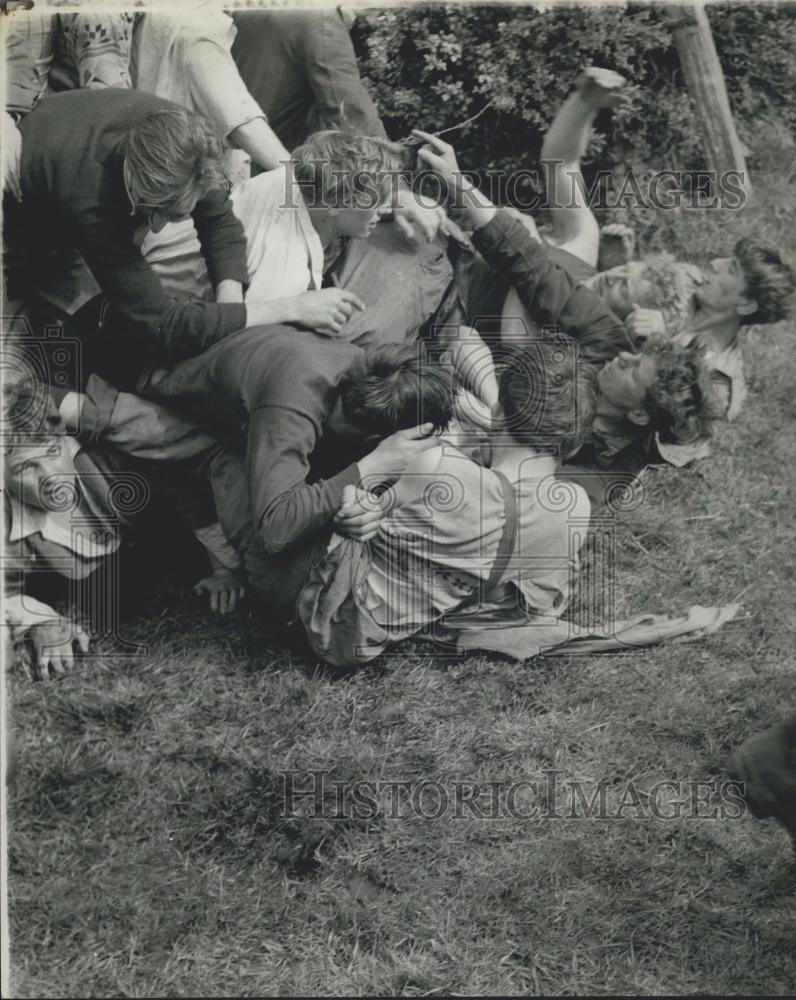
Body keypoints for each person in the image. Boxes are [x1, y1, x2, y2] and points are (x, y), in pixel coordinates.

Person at [295, 340, 594, 666]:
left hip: (338, 618)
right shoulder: (576, 508)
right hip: (403, 625)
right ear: (574, 446)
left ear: (497, 410)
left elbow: (362, 510)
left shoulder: (439, 466)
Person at [2, 374, 244, 680]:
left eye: (52, 454)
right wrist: (40, 620)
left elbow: (182, 485)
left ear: (63, 439)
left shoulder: (108, 461)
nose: (49, 477)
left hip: (168, 537)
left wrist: (222, 569)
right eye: (26, 467)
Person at [141, 335, 454, 570]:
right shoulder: (294, 402)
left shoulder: (366, 378)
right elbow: (276, 529)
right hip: (160, 393)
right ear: (376, 437)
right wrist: (373, 466)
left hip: (232, 410)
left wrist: (365, 505)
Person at [143, 129, 454, 347]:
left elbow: (350, 182)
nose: (386, 207)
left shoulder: (303, 177)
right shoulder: (284, 269)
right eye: (378, 201)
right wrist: (300, 308)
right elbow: (230, 332)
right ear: (334, 205)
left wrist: (398, 199)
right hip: (168, 307)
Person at [230, 7, 385, 157]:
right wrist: (392, 173)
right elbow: (352, 117)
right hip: (278, 168)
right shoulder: (321, 20)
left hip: (236, 159)